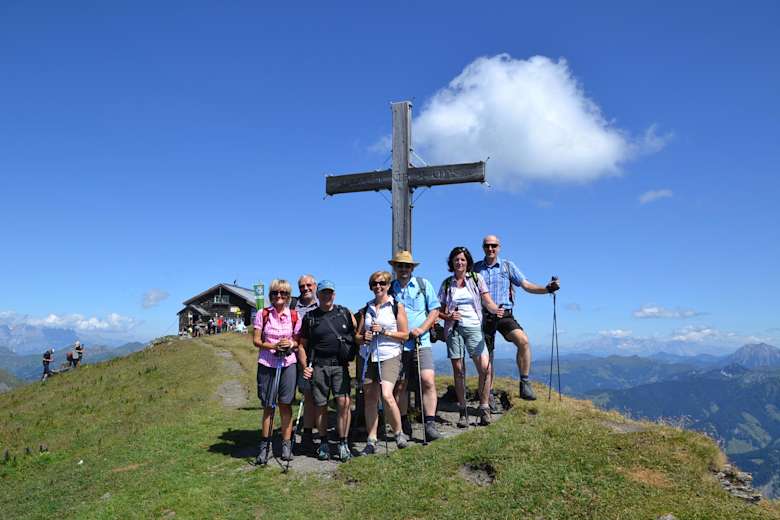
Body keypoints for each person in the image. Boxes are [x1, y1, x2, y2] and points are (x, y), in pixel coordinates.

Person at [474, 234, 560, 402]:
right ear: (483, 248)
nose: (490, 248)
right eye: (487, 245)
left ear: (499, 247)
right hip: (483, 315)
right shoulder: (475, 268)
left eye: (494, 245)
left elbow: (526, 285)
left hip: (504, 314)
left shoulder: (507, 266)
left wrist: (547, 289)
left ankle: (524, 383)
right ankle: (488, 394)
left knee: (523, 341)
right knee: (487, 356)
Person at [438, 246, 503, 427]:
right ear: (452, 262)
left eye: (463, 259)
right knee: (459, 370)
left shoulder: (476, 278)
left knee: (485, 368)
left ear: (468, 262)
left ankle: (484, 407)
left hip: (474, 326)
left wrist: (495, 310)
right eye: (456, 259)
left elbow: (487, 301)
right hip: (454, 329)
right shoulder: (446, 284)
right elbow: (438, 311)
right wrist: (448, 316)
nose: (459, 262)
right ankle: (463, 410)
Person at [388, 250, 443, 441]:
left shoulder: (423, 284)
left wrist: (422, 329)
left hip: (422, 341)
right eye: (400, 265)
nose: (403, 269)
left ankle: (430, 424)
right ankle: (404, 423)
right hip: (399, 344)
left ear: (412, 268)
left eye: (407, 266)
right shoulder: (390, 289)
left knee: (427, 380)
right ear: (395, 268)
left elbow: (435, 310)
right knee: (400, 385)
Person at [300, 280, 356, 462]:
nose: (327, 296)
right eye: (323, 292)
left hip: (340, 366)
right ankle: (324, 442)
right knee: (320, 405)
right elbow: (302, 345)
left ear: (334, 294)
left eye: (330, 292)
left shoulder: (344, 313)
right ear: (318, 295)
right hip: (318, 366)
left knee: (344, 403)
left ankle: (343, 443)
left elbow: (356, 336)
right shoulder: (310, 317)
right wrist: (305, 367)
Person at [356, 271, 410, 455]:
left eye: (382, 283)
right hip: (368, 356)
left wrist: (385, 332)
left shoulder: (396, 306)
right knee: (370, 398)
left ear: (388, 285)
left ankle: (398, 433)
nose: (378, 286)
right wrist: (364, 336)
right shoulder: (367, 307)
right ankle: (371, 440)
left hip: (389, 355)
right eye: (374, 284)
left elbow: (405, 335)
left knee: (387, 394)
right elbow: (357, 336)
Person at [252, 279, 304, 465]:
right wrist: (273, 346)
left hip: (288, 363)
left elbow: (298, 341)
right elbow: (256, 340)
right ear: (270, 295)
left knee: (285, 404)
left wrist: (290, 343)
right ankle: (264, 446)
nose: (279, 296)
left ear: (289, 296)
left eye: (283, 293)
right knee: (268, 405)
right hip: (267, 363)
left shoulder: (294, 315)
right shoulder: (263, 313)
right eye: (275, 293)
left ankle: (286, 445)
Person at [291, 274, 320, 454]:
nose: (306, 289)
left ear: (315, 286)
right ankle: (286, 434)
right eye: (302, 286)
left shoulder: (322, 303)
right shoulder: (293, 305)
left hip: (310, 356)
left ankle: (307, 433)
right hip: (290, 356)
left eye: (309, 285)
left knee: (308, 395)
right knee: (287, 397)